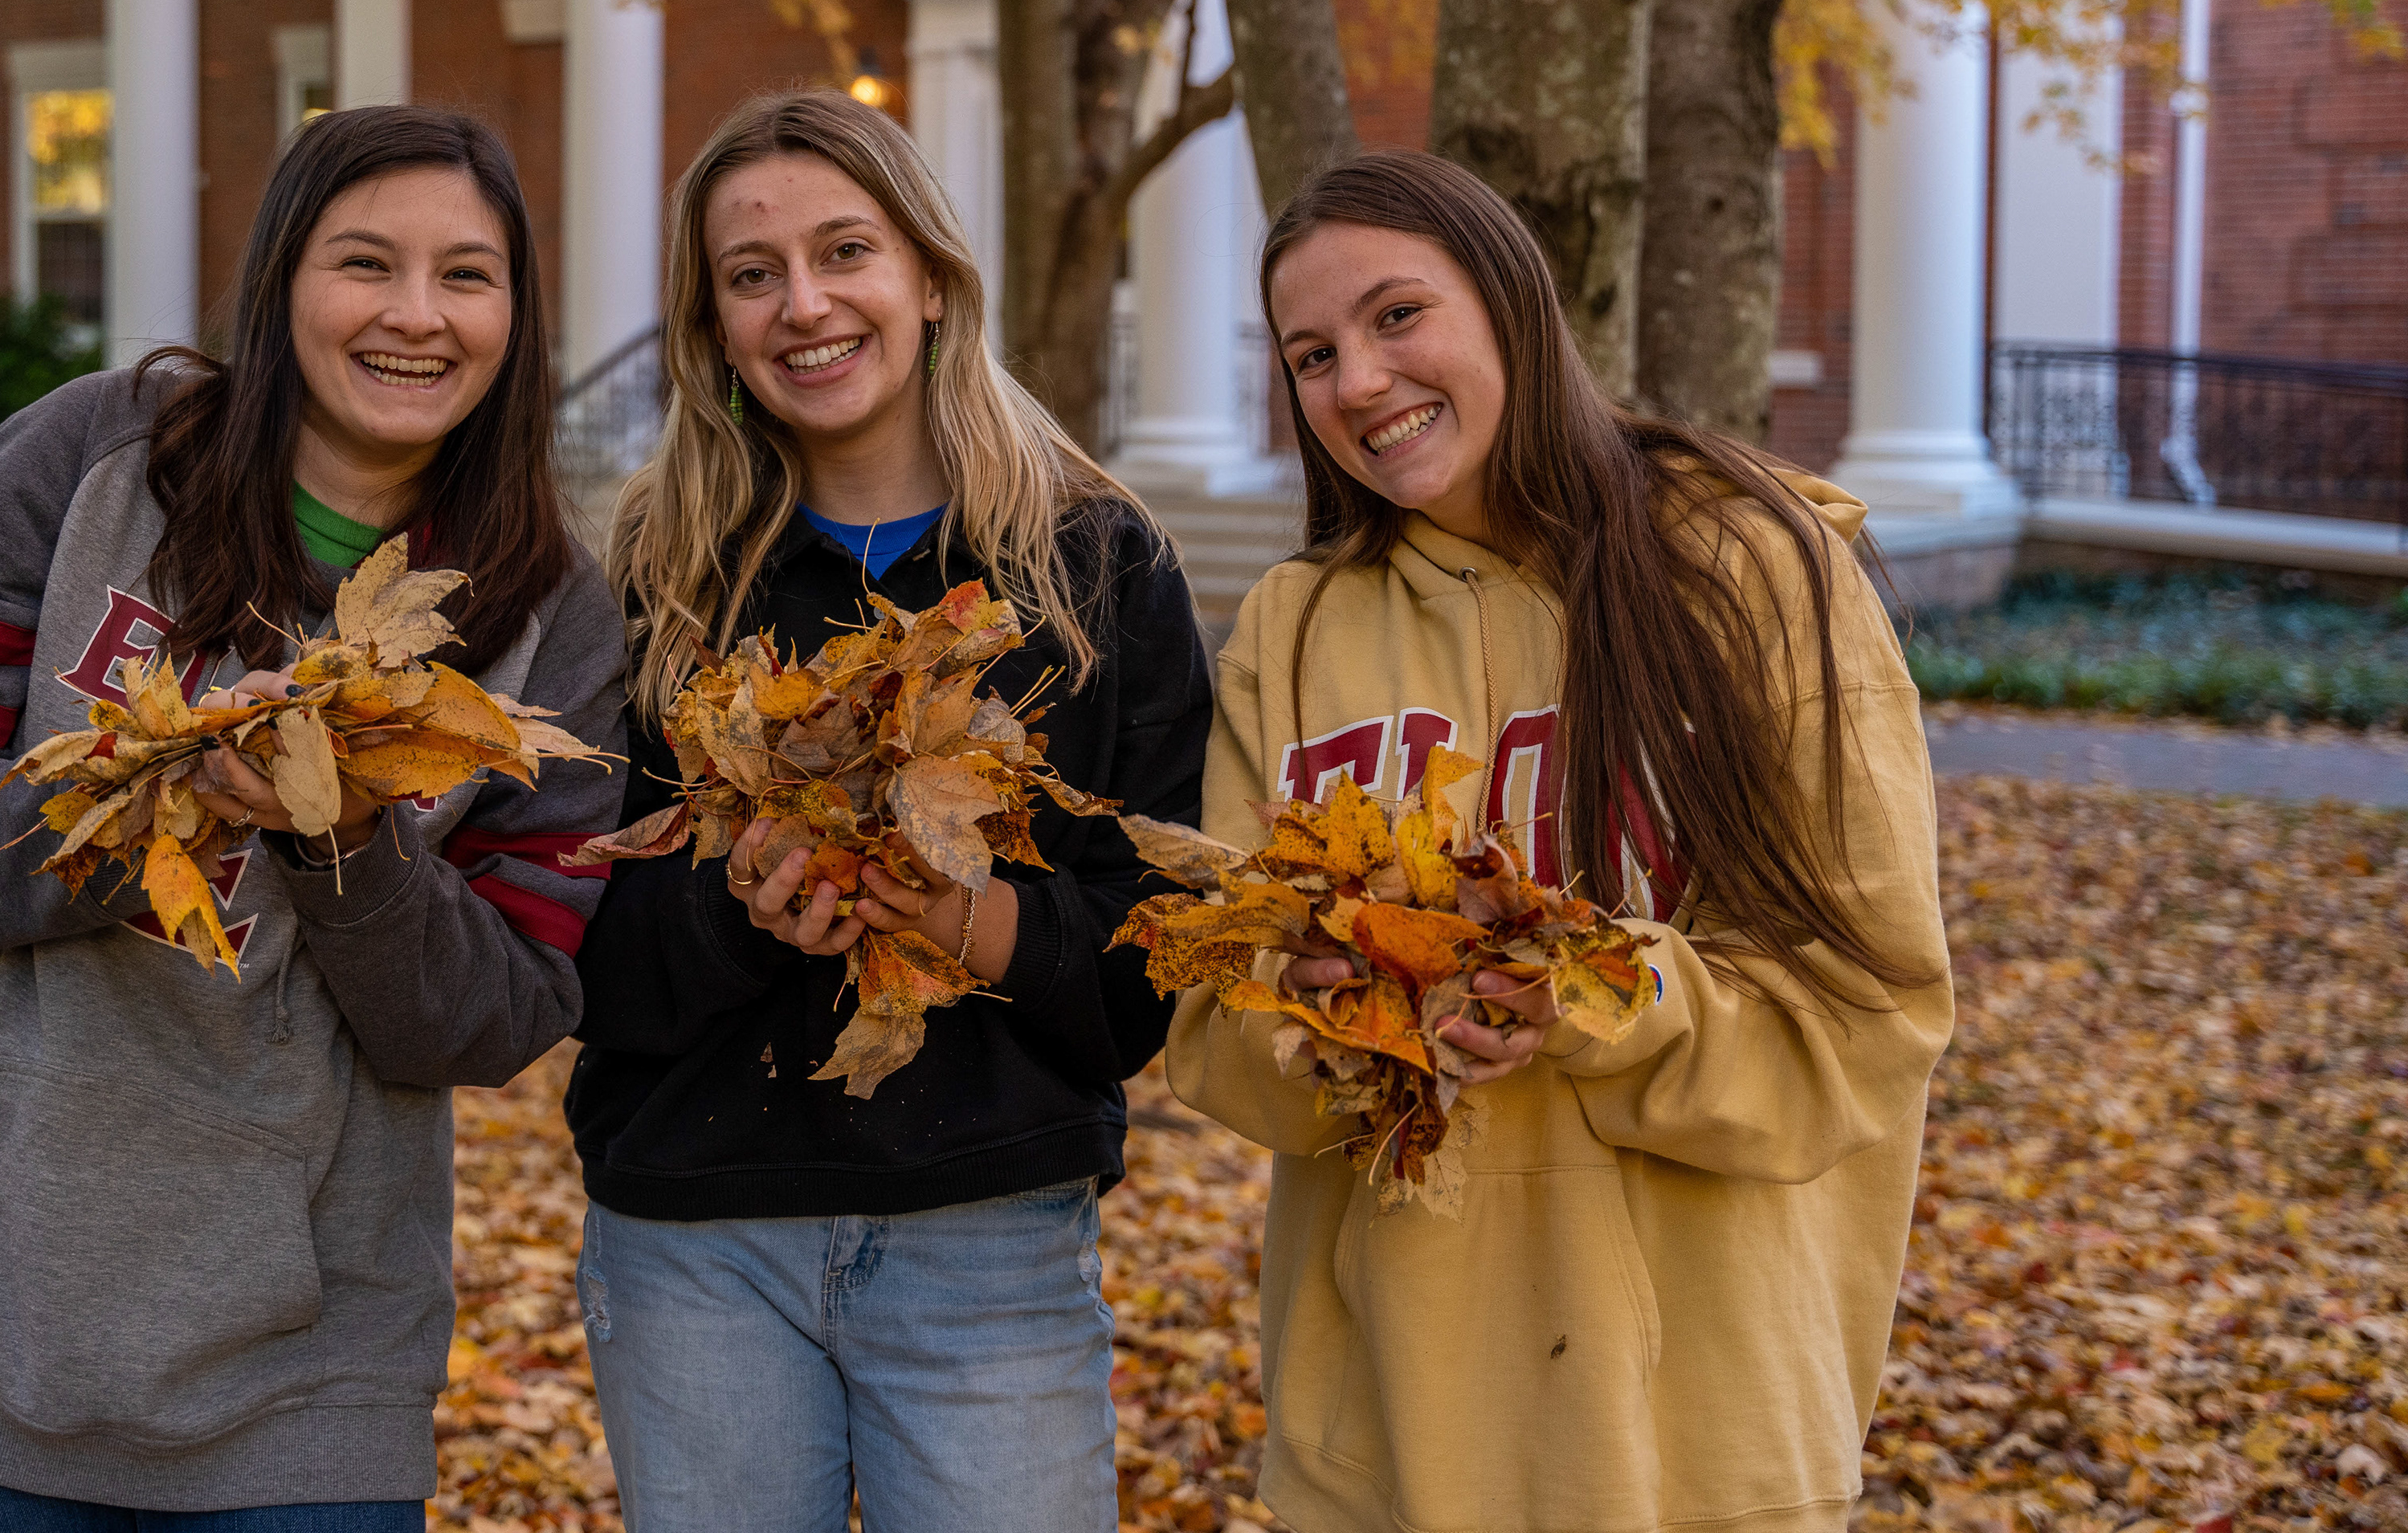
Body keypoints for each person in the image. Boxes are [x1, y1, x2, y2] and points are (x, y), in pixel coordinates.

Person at [0, 107, 628, 1531]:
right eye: (363, 262)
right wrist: (141, 809)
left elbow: (494, 1014)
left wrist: (338, 838)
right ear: (279, 285)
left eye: (468, 275)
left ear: (518, 313)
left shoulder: (557, 622)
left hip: (307, 1355)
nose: (415, 316)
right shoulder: (95, 457)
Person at [1167, 148, 1954, 1533]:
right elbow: (1214, 1026)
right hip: (1384, 1459)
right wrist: (1329, 1014)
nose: (1357, 382)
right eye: (1311, 354)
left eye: (1398, 316)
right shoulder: (1294, 630)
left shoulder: (1752, 568)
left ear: (1514, 305)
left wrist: (1591, 999)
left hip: (1694, 1451)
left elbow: (1870, 1016)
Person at [565, 90, 1211, 1533]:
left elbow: (1147, 971)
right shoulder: (650, 581)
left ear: (928, 275)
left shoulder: (1093, 572)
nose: (805, 304)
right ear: (712, 323)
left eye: (845, 249)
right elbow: (572, 944)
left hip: (989, 1235)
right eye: (752, 274)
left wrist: (964, 920)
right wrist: (741, 917)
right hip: (695, 1239)